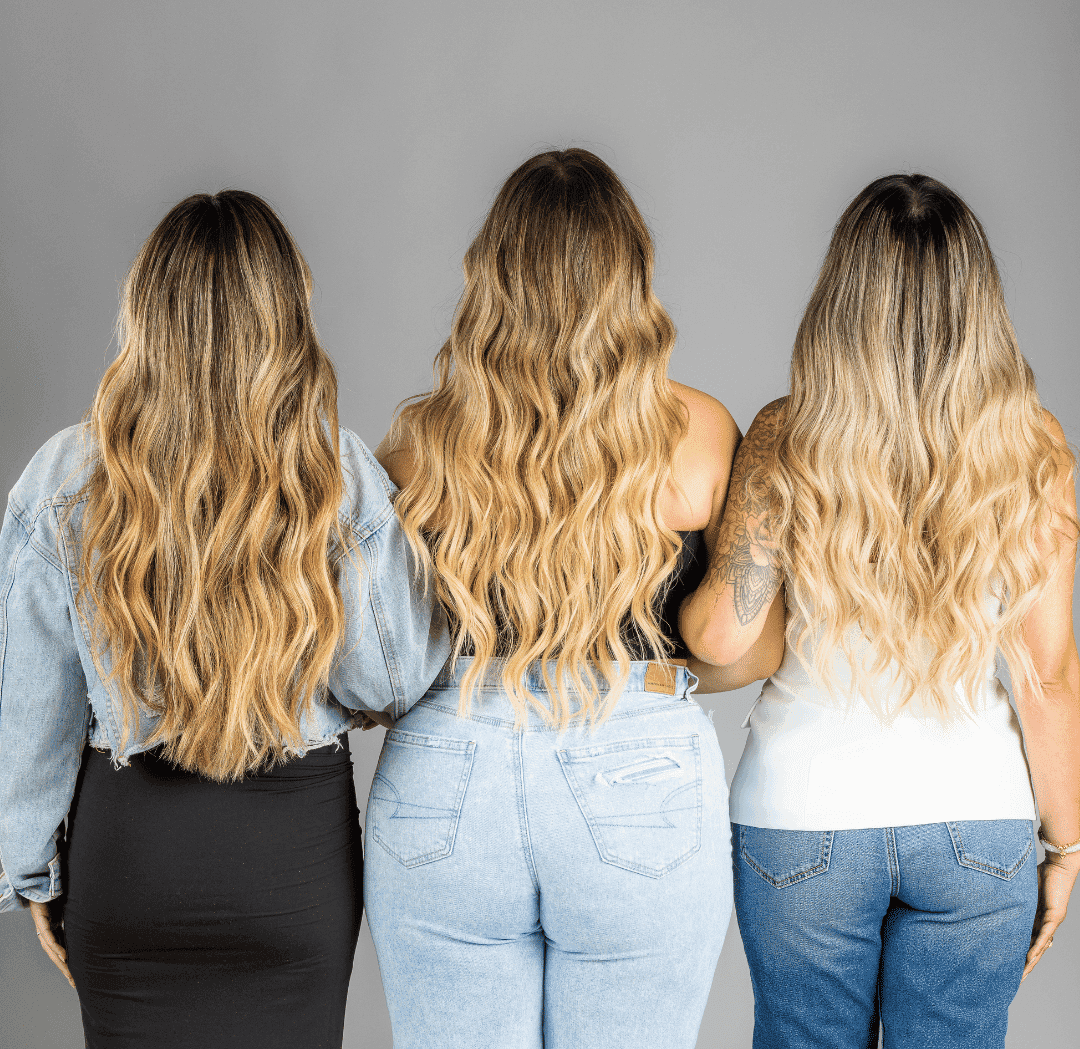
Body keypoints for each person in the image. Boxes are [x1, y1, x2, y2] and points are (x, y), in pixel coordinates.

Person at [0, 191, 450, 1049]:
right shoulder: (335, 472)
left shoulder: (63, 474)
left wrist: (31, 874)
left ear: (145, 316)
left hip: (131, 861)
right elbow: (394, 679)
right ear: (287, 318)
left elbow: (32, 718)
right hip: (289, 861)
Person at [363, 148, 781, 1049]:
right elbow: (749, 650)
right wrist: (641, 685)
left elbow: (385, 654)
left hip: (448, 776)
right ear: (631, 277)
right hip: (641, 786)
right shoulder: (701, 435)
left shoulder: (418, 442)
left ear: (490, 278)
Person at [680, 173, 1080, 1049]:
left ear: (841, 297)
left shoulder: (786, 434)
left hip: (804, 823)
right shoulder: (1032, 446)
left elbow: (724, 633)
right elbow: (1047, 678)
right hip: (978, 823)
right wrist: (1070, 846)